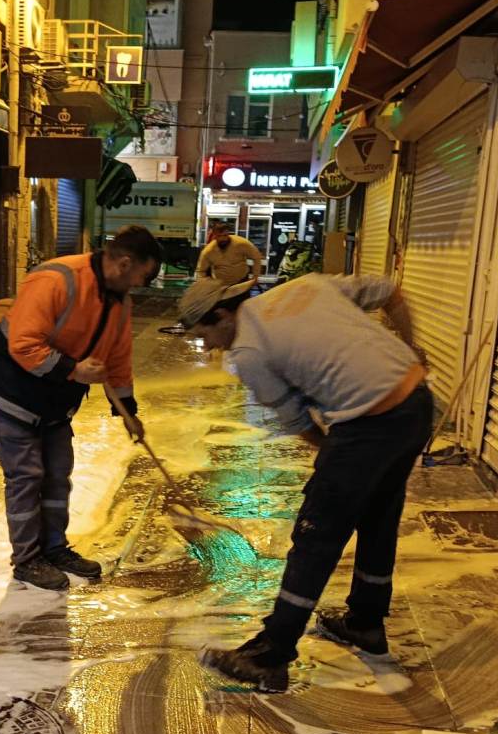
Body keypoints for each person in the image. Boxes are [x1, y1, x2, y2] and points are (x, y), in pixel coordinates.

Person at [178, 269, 433, 692]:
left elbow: (297, 422)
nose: (207, 347)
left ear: (222, 314)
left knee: (316, 535)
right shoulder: (305, 287)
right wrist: (409, 349)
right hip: (416, 403)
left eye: (204, 335)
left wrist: (338, 458)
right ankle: (365, 623)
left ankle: (271, 654)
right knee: (378, 517)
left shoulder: (249, 352)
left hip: (369, 420)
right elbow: (390, 291)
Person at [0, 225, 163, 592]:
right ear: (125, 263)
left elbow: (117, 359)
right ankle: (27, 560)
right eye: (142, 276)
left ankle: (54, 548)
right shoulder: (56, 279)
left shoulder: (119, 302)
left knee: (58, 473)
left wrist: (127, 411)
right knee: (27, 476)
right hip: (13, 389)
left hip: (57, 398)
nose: (140, 285)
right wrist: (74, 370)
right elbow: (24, 343)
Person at [195, 221, 263, 287]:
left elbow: (256, 256)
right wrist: (202, 285)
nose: (223, 238)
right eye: (219, 236)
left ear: (228, 233)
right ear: (214, 235)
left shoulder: (241, 243)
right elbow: (201, 271)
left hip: (242, 282)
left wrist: (255, 276)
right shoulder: (208, 251)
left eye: (225, 235)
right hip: (221, 285)